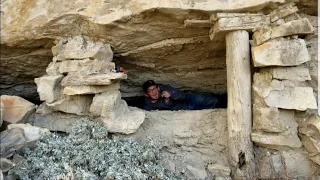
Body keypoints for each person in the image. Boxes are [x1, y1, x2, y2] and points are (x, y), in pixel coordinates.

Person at [142, 80, 220, 111]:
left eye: (154, 89)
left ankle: (222, 103)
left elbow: (182, 95)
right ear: (146, 94)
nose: (153, 92)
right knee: (207, 110)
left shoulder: (164, 88)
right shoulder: (148, 103)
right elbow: (147, 112)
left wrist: (171, 94)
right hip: (184, 110)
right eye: (149, 91)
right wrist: (167, 101)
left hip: (187, 100)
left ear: (158, 88)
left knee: (209, 100)